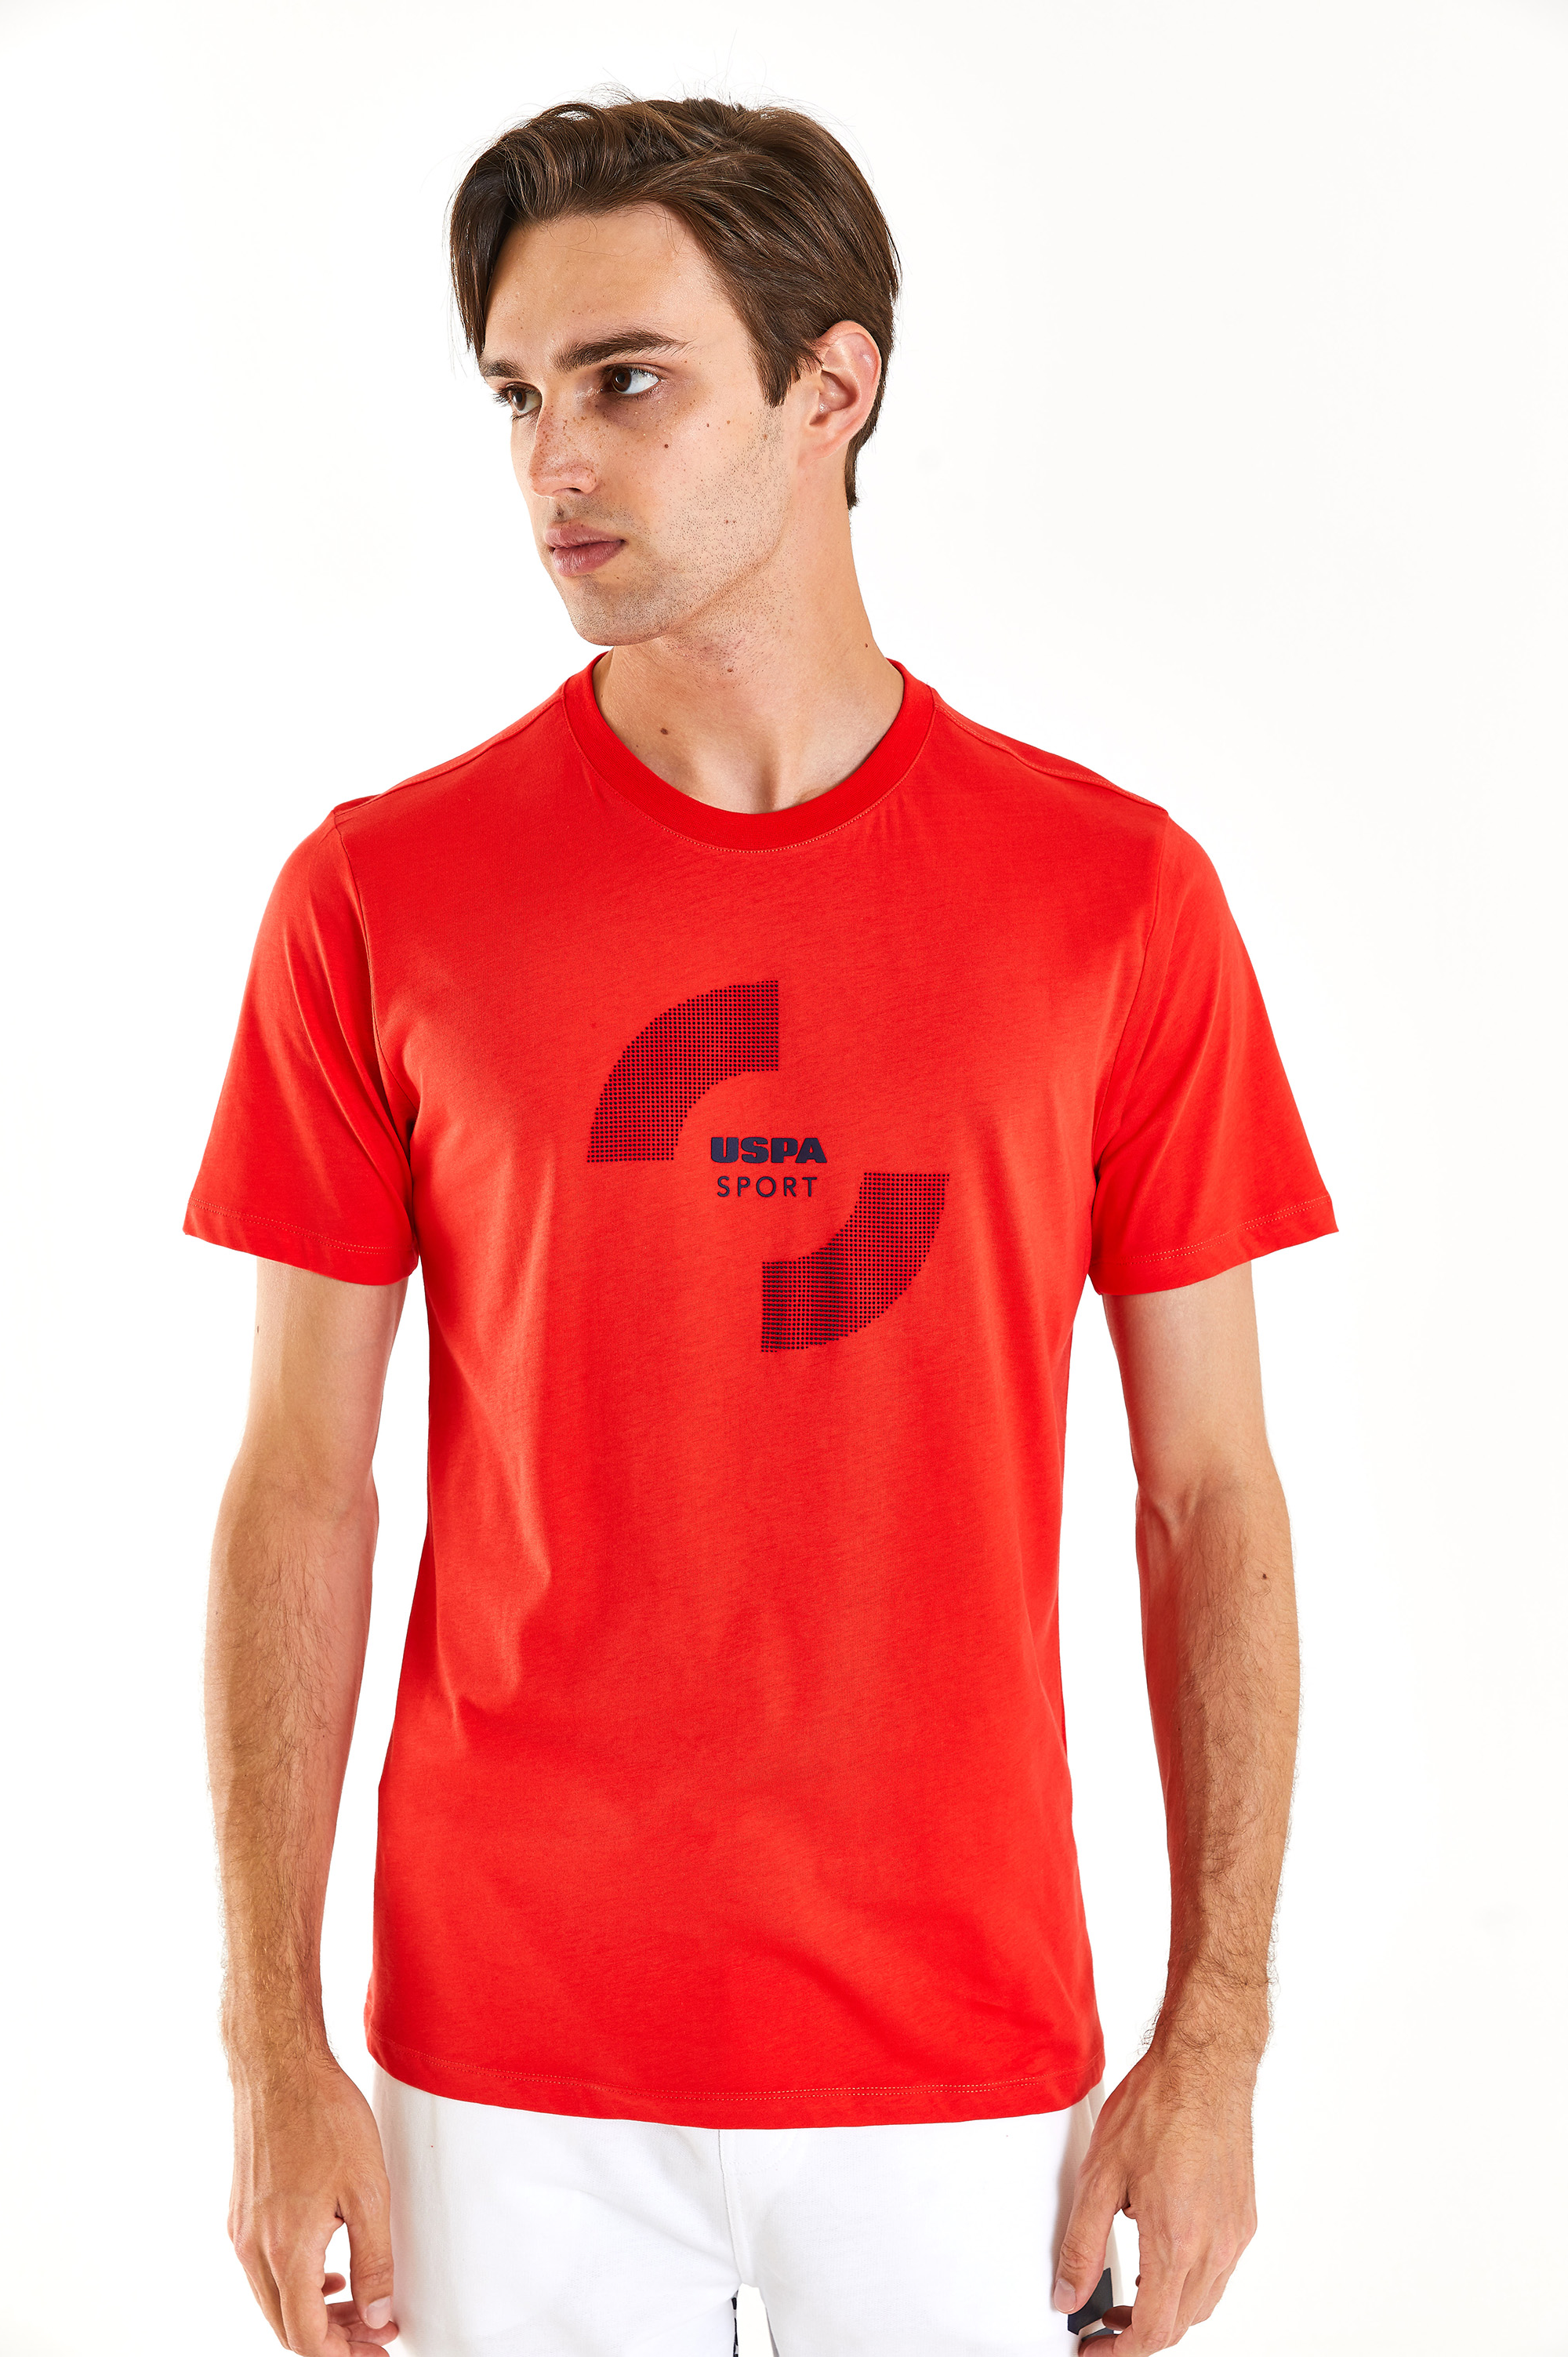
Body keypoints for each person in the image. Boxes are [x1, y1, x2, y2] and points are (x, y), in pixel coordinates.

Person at [187, 96, 1335, 2357]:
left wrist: (1212, 2044)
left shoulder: (1111, 901)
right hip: (500, 2064)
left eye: (627, 381)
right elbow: (301, 1481)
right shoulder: (378, 898)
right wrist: (267, 2042)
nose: (555, 463)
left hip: (958, 2057)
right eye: (518, 395)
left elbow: (1209, 1492)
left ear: (832, 387)